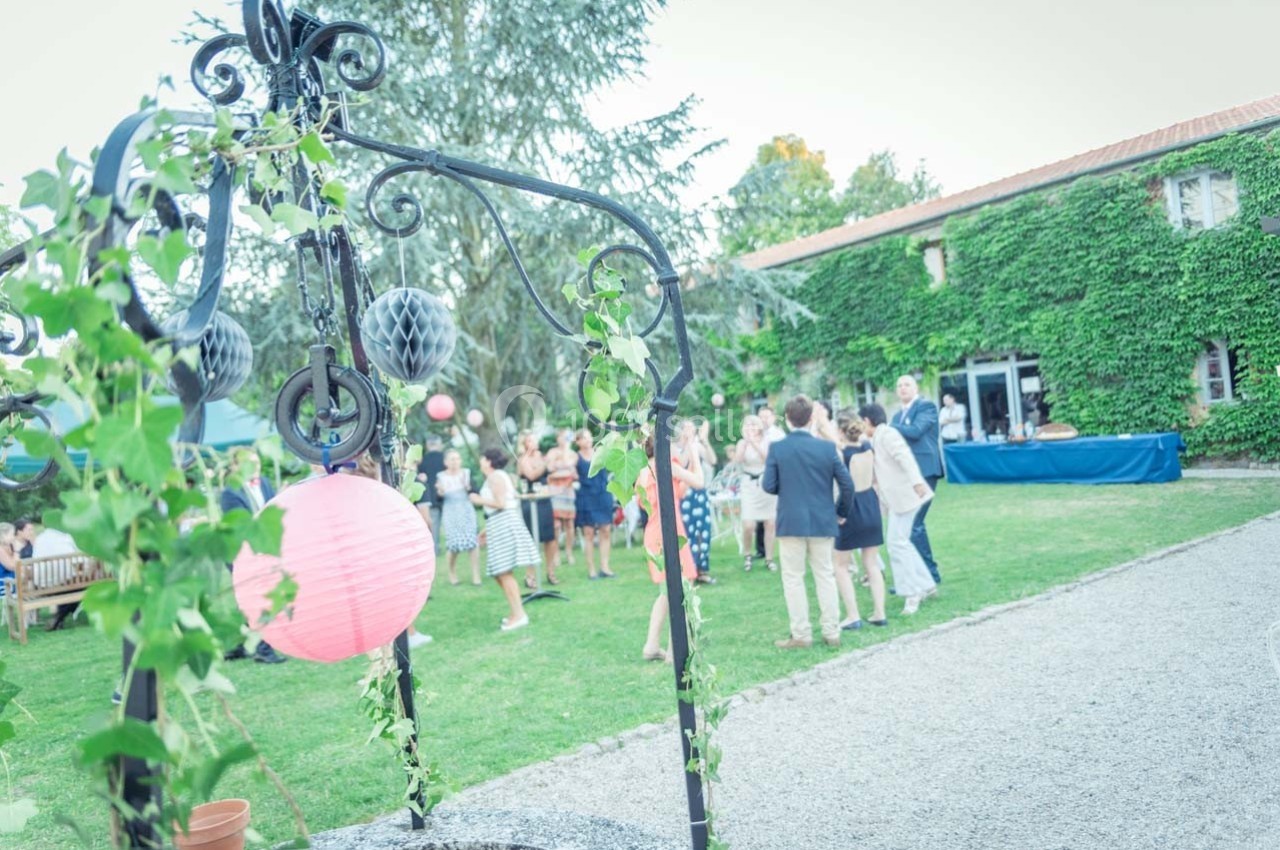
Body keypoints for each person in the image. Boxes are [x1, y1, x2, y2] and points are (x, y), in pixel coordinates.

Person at [762, 395, 854, 649]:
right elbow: (847, 485)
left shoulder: (778, 448)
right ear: (811, 418)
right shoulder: (826, 448)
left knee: (793, 578)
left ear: (787, 419)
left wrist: (788, 488)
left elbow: (768, 485)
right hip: (823, 519)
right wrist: (840, 512)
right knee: (825, 575)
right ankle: (832, 632)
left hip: (791, 519)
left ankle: (801, 634)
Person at [860, 403, 937, 615]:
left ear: (867, 421)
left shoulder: (887, 434)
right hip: (898, 499)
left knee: (896, 544)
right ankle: (926, 584)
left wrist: (917, 482)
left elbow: (905, 457)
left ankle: (913, 593)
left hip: (906, 496)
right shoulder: (876, 437)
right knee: (901, 542)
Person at [636, 432, 703, 662]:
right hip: (669, 530)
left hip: (654, 531)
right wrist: (694, 451)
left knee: (666, 591)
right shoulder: (667, 465)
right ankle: (676, 651)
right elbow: (699, 482)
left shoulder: (644, 469)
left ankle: (652, 645)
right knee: (680, 588)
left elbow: (680, 490)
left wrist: (689, 460)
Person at [220, 448, 286, 664]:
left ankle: (238, 644)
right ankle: (263, 649)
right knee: (257, 597)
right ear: (236, 466)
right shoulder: (230, 493)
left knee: (251, 598)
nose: (256, 467)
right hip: (240, 552)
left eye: (257, 462)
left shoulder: (264, 482)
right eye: (250, 462)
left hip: (262, 549)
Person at [833, 411, 888, 628]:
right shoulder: (867, 447)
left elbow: (845, 488)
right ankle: (880, 612)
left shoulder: (842, 454)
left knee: (840, 565)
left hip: (851, 506)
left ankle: (853, 615)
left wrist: (840, 513)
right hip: (870, 503)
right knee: (871, 563)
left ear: (841, 431)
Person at [470, 449, 534, 631]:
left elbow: (501, 503)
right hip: (498, 522)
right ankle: (515, 611)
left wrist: (478, 499)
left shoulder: (495, 477)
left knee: (504, 572)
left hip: (504, 523)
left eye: (483, 458)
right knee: (499, 572)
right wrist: (486, 530)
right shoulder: (495, 476)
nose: (480, 461)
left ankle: (520, 615)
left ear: (489, 461)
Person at [891, 375, 944, 584]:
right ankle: (916, 576)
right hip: (908, 474)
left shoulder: (926, 407)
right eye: (899, 385)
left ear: (916, 388)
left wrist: (886, 428)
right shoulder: (897, 416)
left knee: (914, 523)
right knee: (908, 527)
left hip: (926, 471)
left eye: (907, 384)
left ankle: (930, 574)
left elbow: (915, 431)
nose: (902, 388)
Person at [516, 431, 559, 586]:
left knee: (550, 537)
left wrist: (551, 464)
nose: (533, 443)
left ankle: (551, 571)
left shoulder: (541, 456)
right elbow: (532, 475)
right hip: (530, 500)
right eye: (530, 440)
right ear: (524, 444)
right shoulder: (522, 459)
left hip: (544, 499)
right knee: (532, 538)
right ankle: (530, 575)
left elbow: (550, 471)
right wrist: (545, 464)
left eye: (535, 439)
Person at [736, 414, 778, 572]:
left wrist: (753, 443)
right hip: (748, 484)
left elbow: (768, 459)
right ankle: (747, 555)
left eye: (753, 425)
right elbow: (738, 461)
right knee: (748, 524)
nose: (750, 428)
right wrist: (745, 445)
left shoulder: (768, 441)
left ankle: (769, 558)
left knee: (770, 523)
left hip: (766, 483)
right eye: (747, 425)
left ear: (759, 427)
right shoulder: (741, 443)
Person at [676, 419, 715, 584]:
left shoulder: (697, 444)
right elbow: (683, 462)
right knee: (687, 532)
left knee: (703, 531)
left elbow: (712, 460)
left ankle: (702, 570)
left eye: (692, 428)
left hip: (699, 493)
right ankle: (688, 570)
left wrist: (704, 441)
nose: (690, 431)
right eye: (687, 428)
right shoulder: (676, 448)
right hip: (684, 494)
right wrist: (689, 444)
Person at [574, 429, 616, 579]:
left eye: (589, 437)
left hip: (603, 494)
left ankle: (605, 567)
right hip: (586, 497)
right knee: (589, 533)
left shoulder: (600, 452)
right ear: (578, 442)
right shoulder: (576, 457)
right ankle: (591, 569)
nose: (588, 440)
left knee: (606, 530)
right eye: (584, 438)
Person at [436, 449, 481, 585]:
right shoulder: (441, 476)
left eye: (457, 459)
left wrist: (469, 487)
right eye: (452, 459)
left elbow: (475, 491)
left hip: (466, 509)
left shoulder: (466, 473)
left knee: (472, 541)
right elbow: (437, 498)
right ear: (446, 462)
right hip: (451, 510)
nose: (455, 462)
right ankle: (452, 572)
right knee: (453, 544)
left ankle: (476, 575)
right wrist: (440, 492)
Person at [545, 429, 579, 568]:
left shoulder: (573, 454)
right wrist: (563, 469)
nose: (564, 439)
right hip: (555, 491)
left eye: (566, 437)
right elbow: (549, 468)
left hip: (568, 491)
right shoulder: (552, 452)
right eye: (561, 437)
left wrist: (565, 453)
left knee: (569, 523)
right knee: (556, 524)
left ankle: (569, 552)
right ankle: (556, 553)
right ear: (557, 438)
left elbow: (571, 469)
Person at [416, 435, 447, 551]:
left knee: (434, 525)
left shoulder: (423, 461)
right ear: (439, 444)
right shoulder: (445, 458)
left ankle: (435, 548)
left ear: (428, 445)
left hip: (430, 497)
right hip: (446, 495)